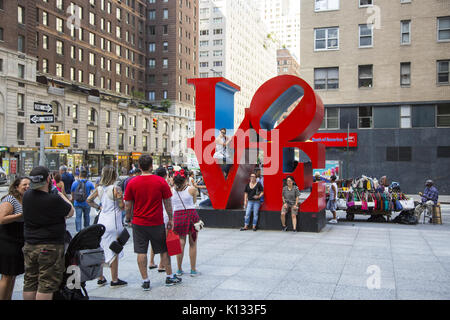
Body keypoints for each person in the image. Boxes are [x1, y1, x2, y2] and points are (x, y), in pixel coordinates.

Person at [124, 155, 181, 291]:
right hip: (156, 222)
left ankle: (146, 280)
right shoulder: (161, 182)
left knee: (141, 251)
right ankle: (169, 277)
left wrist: (128, 218)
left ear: (139, 167)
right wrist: (171, 218)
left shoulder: (132, 182)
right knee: (163, 250)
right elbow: (167, 202)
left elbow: (127, 205)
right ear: (151, 166)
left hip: (138, 223)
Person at [22, 166, 74, 300]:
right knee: (47, 284)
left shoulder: (27, 196)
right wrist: (60, 193)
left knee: (30, 282)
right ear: (48, 179)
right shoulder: (53, 199)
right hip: (49, 246)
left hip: (30, 245)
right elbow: (70, 211)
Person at [87, 166, 127, 288]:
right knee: (114, 250)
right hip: (113, 222)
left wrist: (99, 207)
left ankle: (100, 277)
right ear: (114, 175)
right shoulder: (116, 189)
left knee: (102, 248)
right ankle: (114, 280)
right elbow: (121, 206)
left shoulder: (99, 188)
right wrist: (121, 200)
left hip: (102, 221)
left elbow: (88, 200)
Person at [0, 177, 31, 300]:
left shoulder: (26, 200)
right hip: (7, 241)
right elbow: (2, 219)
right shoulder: (10, 199)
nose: (27, 186)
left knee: (12, 276)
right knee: (7, 275)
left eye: (29, 184)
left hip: (18, 241)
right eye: (24, 184)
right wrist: (21, 215)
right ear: (17, 186)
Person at [171, 169, 201, 277]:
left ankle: (179, 269)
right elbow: (193, 202)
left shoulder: (171, 190)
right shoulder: (192, 189)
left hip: (178, 216)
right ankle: (193, 270)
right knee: (192, 243)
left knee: (180, 243)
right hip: (191, 216)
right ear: (185, 179)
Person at [149, 167, 170, 272]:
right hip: (164, 215)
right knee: (164, 242)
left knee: (154, 241)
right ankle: (162, 265)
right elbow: (168, 202)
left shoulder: (152, 184)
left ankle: (151, 261)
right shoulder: (164, 184)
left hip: (153, 215)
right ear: (165, 175)